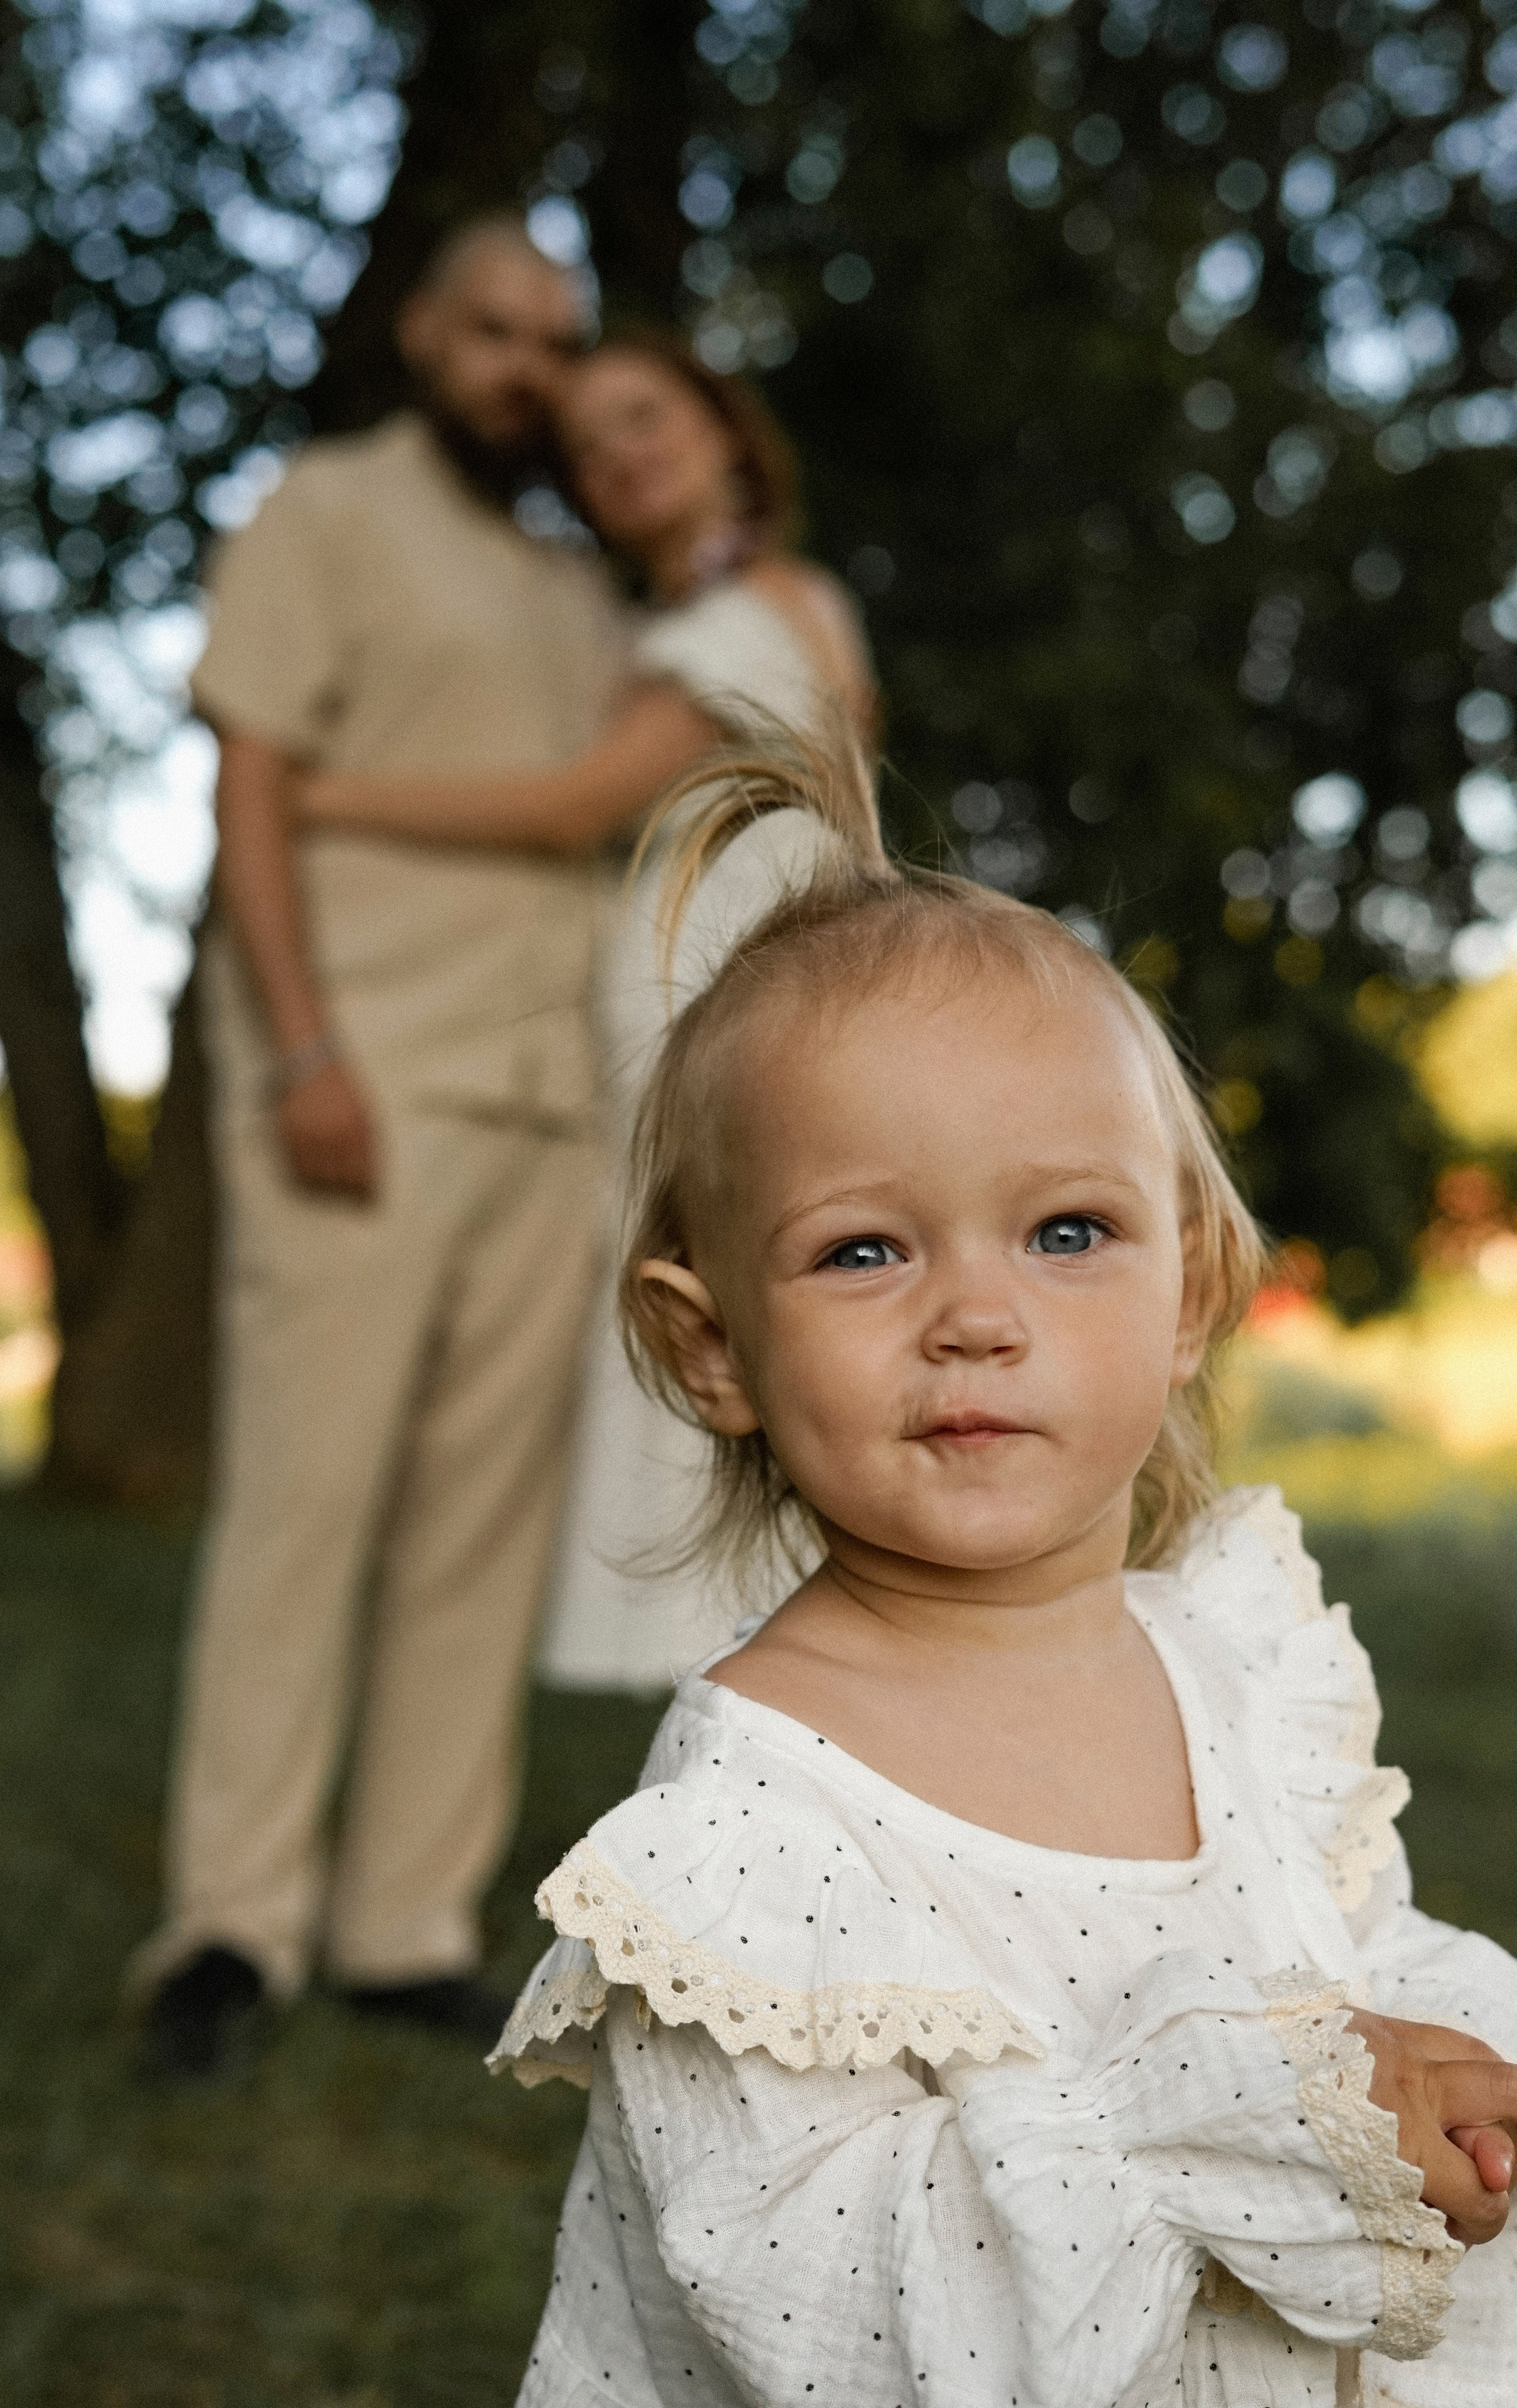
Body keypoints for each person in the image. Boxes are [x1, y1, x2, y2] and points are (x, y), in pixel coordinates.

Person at [489, 745, 1517, 2404]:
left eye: (1065, 1232)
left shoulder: (1239, 1668)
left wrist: (1436, 2082)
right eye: (865, 1250)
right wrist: (1222, 2116)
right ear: (715, 1348)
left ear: (1192, 1293)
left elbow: (1357, 1954)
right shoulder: (747, 1839)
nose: (977, 1314)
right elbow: (822, 2320)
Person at [132, 215, 628, 2077]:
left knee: (476, 1536)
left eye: (554, 340)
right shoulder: (323, 512)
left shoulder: (589, 595)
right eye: (494, 328)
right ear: (424, 335)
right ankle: (229, 1930)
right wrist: (305, 1050)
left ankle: (403, 1925)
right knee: (303, 1507)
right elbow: (249, 786)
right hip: (363, 1076)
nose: (525, 365)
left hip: (543, 1100)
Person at [295, 332, 877, 1691]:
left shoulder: (750, 614)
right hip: (713, 1026)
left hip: (728, 1035)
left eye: (642, 416)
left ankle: (763, 1708)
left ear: (725, 432)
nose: (617, 452)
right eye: (586, 447)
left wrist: (320, 796)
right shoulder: (733, 617)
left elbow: (570, 805)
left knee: (731, 1328)